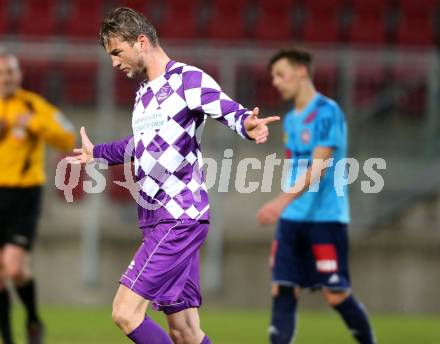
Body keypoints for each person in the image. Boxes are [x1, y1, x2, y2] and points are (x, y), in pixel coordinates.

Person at [67, 7, 279, 344]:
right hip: (156, 220)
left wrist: (247, 124)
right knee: (185, 332)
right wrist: (98, 154)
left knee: (125, 312)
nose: (114, 63)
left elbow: (226, 109)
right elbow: (141, 146)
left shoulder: (187, 79)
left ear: (141, 42)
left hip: (178, 218)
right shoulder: (144, 94)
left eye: (117, 52)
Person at [257, 48, 376, 344]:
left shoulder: (327, 112)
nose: (275, 82)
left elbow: (320, 165)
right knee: (282, 288)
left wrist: (281, 200)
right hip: (291, 220)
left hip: (325, 219)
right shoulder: (290, 121)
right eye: (273, 76)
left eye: (280, 74)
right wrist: (285, 207)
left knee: (336, 294)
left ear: (301, 72)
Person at [0, 49, 75, 344]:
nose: (7, 78)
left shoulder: (32, 106)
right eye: (2, 73)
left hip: (24, 194)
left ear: (19, 75)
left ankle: (32, 319)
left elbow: (67, 136)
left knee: (15, 268)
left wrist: (33, 124)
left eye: (11, 72)